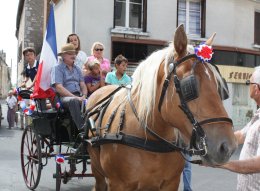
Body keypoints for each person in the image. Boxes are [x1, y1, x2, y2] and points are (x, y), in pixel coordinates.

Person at [211, 67, 260, 190]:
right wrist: (212, 141)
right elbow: (240, 136)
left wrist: (222, 163)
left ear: (257, 89)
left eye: (249, 83)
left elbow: (258, 164)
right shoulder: (257, 116)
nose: (248, 86)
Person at [51, 43, 88, 130]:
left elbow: (82, 84)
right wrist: (75, 97)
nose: (73, 55)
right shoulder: (57, 68)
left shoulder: (77, 69)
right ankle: (81, 129)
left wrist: (84, 96)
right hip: (62, 98)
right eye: (70, 53)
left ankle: (95, 127)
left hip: (78, 96)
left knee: (94, 101)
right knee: (74, 101)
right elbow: (58, 87)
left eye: (74, 53)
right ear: (63, 56)